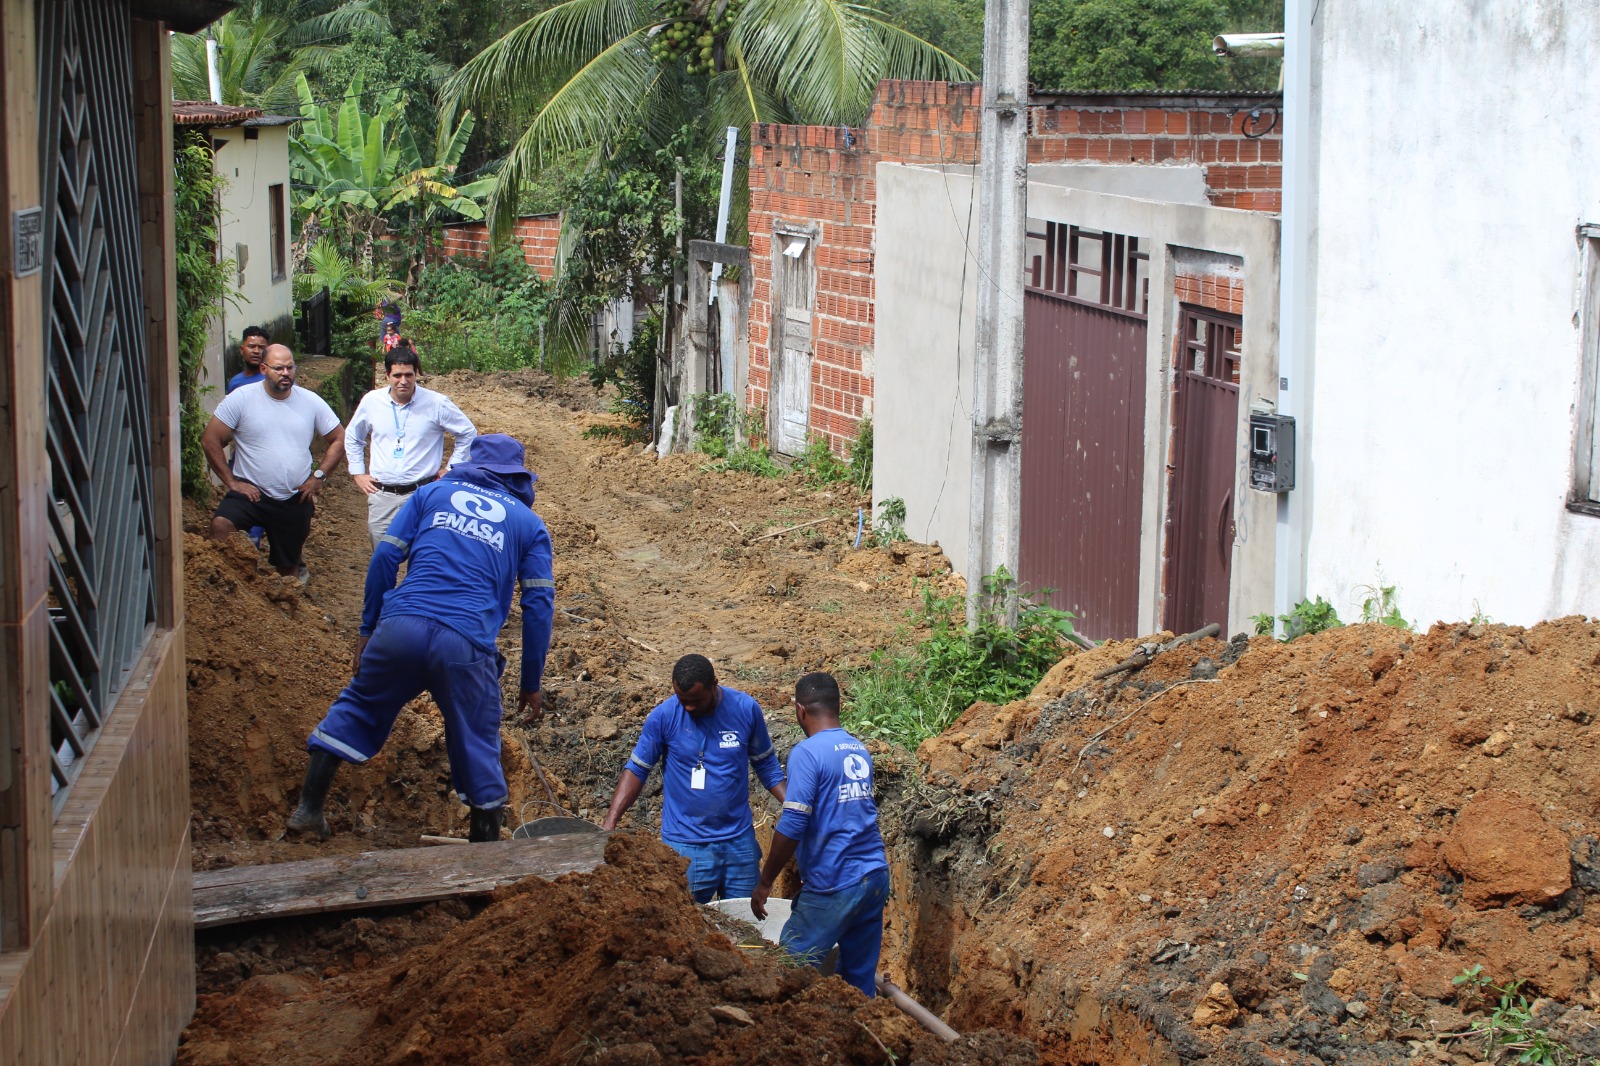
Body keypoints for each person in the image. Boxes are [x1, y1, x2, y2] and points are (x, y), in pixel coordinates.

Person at [286, 434, 555, 843]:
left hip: (400, 630)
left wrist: (368, 629)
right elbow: (539, 605)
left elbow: (384, 558)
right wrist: (531, 682)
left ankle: (307, 810)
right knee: (477, 740)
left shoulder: (430, 494)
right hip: (464, 647)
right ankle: (483, 857)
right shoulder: (528, 523)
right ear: (517, 476)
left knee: (357, 706)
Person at [601, 654, 786, 902]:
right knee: (686, 925)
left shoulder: (745, 709)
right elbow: (637, 769)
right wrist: (611, 821)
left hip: (738, 844)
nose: (688, 708)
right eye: (682, 700)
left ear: (714, 684)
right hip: (686, 847)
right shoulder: (664, 716)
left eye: (696, 701)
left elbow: (766, 765)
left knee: (746, 927)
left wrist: (794, 807)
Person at [752, 672, 889, 998]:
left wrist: (765, 881)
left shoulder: (808, 753)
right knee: (858, 980)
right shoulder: (858, 748)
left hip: (835, 882)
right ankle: (861, 1035)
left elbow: (793, 824)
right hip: (874, 876)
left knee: (787, 967)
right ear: (837, 706)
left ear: (800, 710)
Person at [202, 344, 345, 581]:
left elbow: (339, 438)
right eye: (279, 368)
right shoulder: (242, 398)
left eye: (290, 367)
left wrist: (317, 478)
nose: (286, 373)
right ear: (264, 368)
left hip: (293, 497)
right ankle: (222, 592)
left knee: (288, 568)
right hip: (250, 494)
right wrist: (231, 482)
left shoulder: (310, 402)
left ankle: (287, 610)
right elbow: (210, 440)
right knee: (220, 527)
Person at [345, 347, 478, 547]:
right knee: (382, 554)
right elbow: (353, 436)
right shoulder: (372, 401)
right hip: (382, 495)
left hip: (423, 493)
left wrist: (452, 468)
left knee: (424, 555)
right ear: (387, 376)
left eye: (409, 375)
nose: (403, 381)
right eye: (397, 375)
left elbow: (468, 432)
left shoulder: (436, 403)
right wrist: (357, 472)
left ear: (416, 374)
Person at [226, 326, 269, 393]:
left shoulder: (272, 379)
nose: (256, 351)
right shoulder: (235, 383)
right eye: (251, 346)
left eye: (261, 347)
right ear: (242, 350)